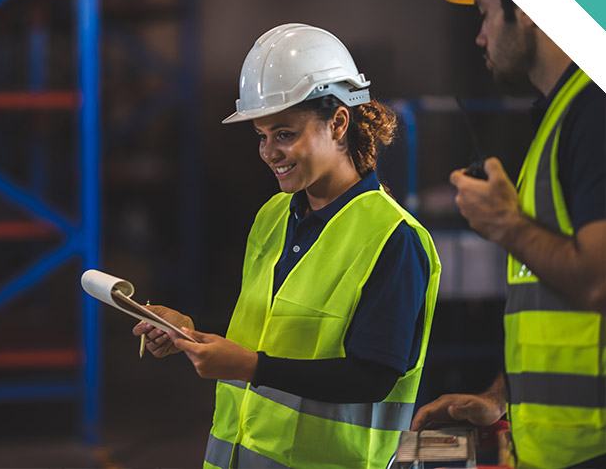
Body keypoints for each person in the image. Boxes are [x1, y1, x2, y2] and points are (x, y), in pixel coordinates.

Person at [132, 23, 441, 469]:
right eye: (261, 136)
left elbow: (372, 377)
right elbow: (266, 336)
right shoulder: (274, 216)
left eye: (284, 133)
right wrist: (189, 334)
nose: (268, 152)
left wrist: (250, 368)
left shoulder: (394, 238)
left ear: (338, 122)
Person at [410, 0, 606, 469]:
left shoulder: (594, 113)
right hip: (561, 449)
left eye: (486, 13)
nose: (480, 37)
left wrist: (506, 224)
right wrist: (501, 399)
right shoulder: (560, 117)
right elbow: (555, 313)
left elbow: (597, 282)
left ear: (530, 10)